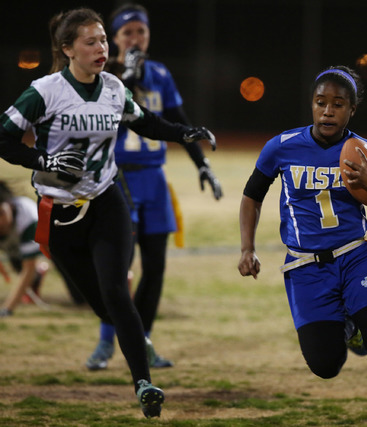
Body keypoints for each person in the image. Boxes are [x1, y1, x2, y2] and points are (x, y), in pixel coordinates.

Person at [0, 7, 215, 418]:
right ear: (67, 49)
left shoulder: (114, 87)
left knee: (117, 292)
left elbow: (145, 122)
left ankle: (144, 384)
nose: (102, 48)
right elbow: (3, 139)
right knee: (98, 304)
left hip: (106, 199)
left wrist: (184, 132)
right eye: (91, 41)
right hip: (59, 212)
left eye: (103, 39)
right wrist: (42, 161)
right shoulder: (44, 90)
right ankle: (135, 339)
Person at [238, 66, 367, 427]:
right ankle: (350, 327)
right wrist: (247, 248)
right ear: (311, 106)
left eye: (338, 104)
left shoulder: (364, 151)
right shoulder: (282, 147)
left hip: (356, 257)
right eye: (321, 103)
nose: (328, 111)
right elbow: (252, 196)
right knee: (325, 365)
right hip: (305, 266)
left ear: (351, 110)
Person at [84, 3, 223, 372]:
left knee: (156, 267)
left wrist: (202, 164)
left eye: (140, 32)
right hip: (119, 179)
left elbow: (181, 123)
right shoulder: (104, 74)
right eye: (127, 32)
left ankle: (142, 342)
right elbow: (109, 113)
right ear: (114, 39)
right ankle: (104, 343)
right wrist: (128, 74)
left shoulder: (160, 73)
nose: (135, 38)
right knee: (118, 269)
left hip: (155, 180)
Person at [0, 181, 50, 316]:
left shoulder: (28, 217)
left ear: (10, 205)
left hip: (46, 246)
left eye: (1, 213)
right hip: (14, 248)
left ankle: (39, 274)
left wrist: (7, 309)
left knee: (79, 297)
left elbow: (29, 268)